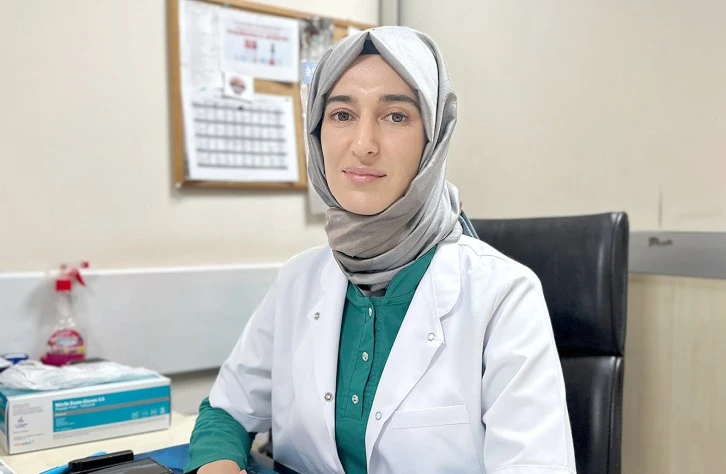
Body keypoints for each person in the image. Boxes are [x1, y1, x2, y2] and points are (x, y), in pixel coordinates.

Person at [185, 26, 576, 474]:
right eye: (342, 115)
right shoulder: (298, 279)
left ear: (433, 138)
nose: (363, 145)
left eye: (395, 116)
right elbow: (227, 410)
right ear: (317, 132)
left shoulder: (503, 295)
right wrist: (217, 464)